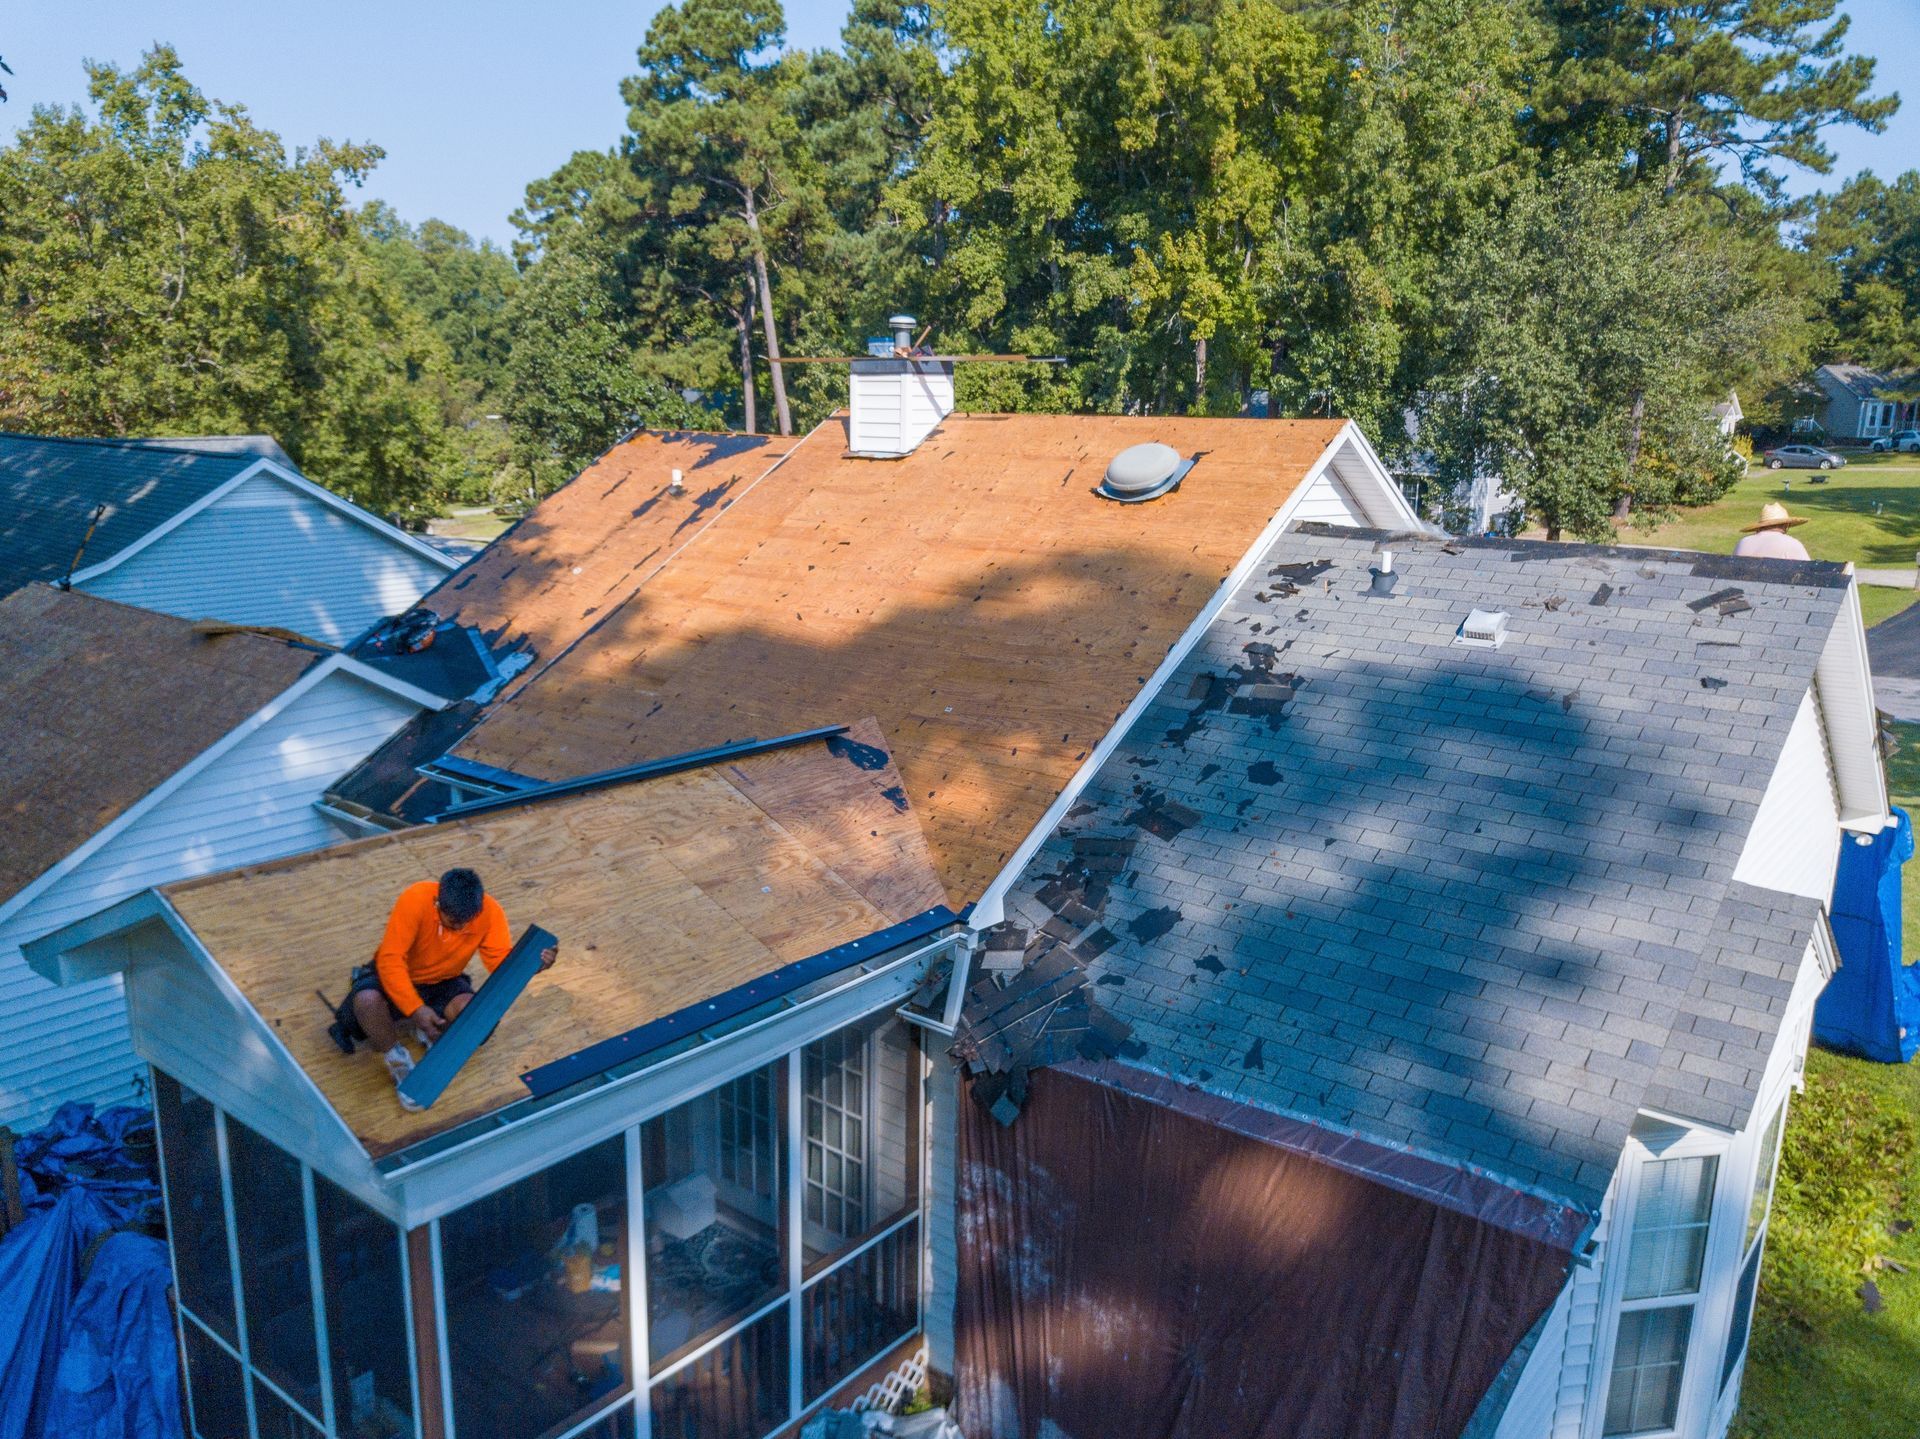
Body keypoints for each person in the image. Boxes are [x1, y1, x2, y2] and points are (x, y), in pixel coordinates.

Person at [331, 868, 557, 1111]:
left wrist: (534, 965)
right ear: (438, 902)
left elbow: (499, 963)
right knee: (366, 1001)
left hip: (444, 981)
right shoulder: (415, 899)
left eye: (465, 922)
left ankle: (431, 1034)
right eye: (453, 922)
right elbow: (390, 959)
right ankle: (397, 1059)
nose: (459, 928)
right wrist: (416, 1009)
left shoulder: (491, 912)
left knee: (475, 1017)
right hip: (401, 975)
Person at [1733, 502, 1811, 561]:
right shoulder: (1792, 544)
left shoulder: (1743, 542)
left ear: (1760, 526)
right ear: (1786, 525)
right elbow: (1808, 573)